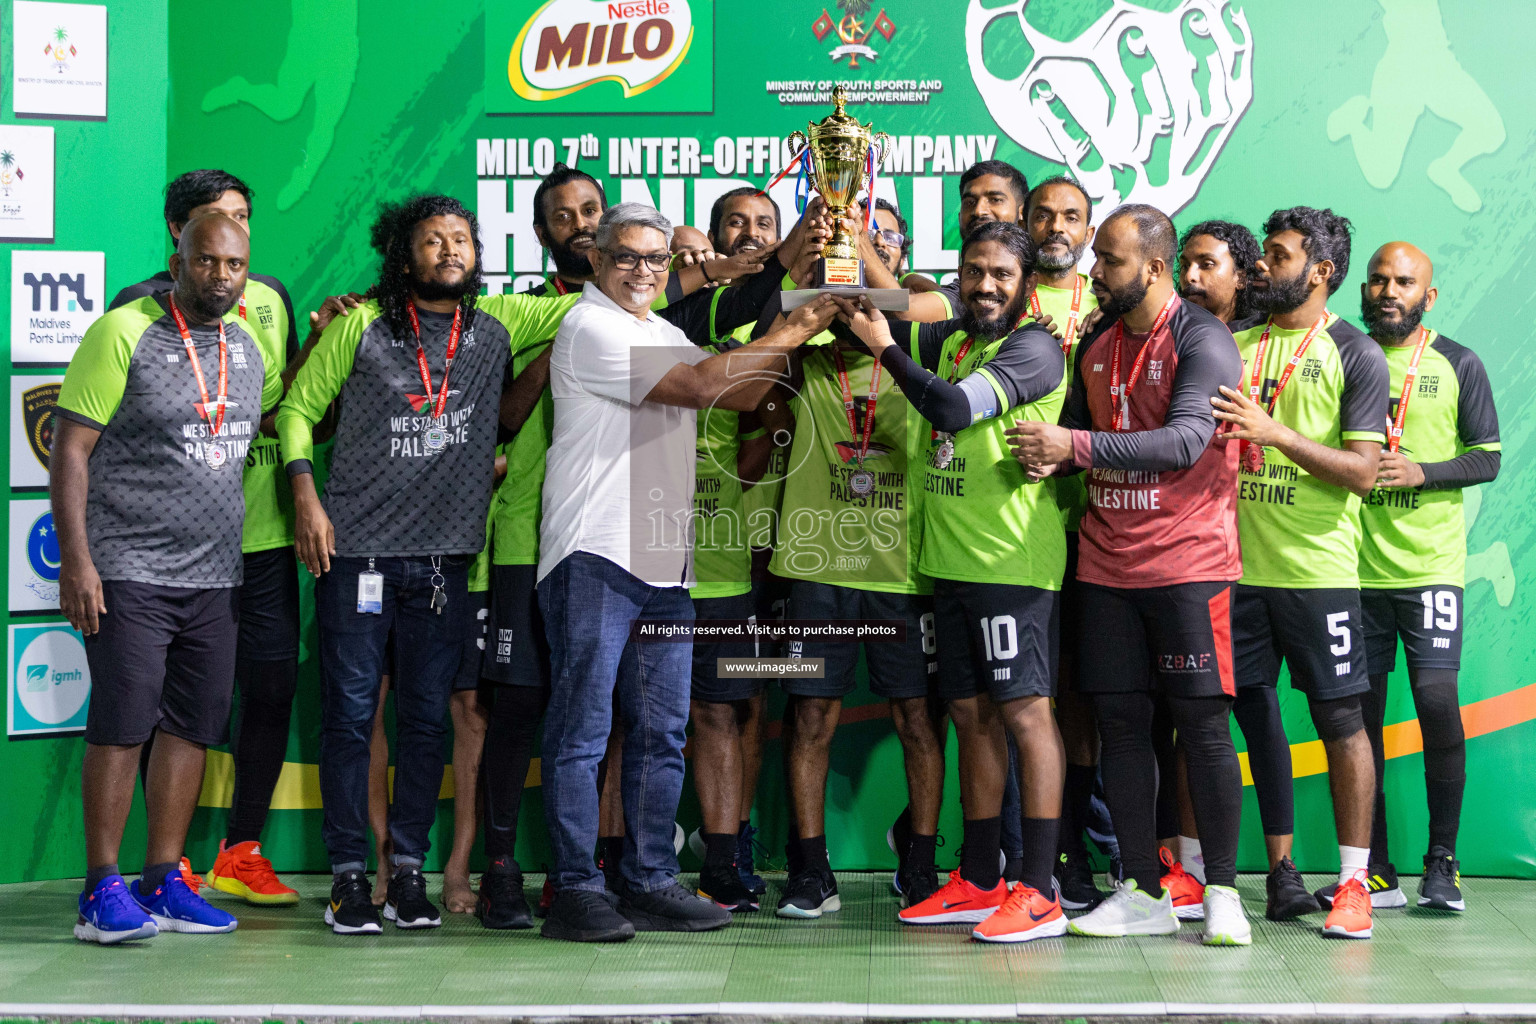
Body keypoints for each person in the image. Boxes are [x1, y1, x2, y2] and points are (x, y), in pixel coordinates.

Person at [276, 194, 585, 935]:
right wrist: (307, 502)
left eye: (461, 239)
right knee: (352, 719)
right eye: (432, 240)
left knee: (423, 724)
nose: (450, 249)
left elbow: (591, 299)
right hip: (356, 556)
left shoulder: (502, 322)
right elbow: (294, 413)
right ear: (402, 254)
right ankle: (352, 876)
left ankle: (408, 873)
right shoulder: (361, 327)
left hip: (446, 562)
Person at [536, 203, 837, 942]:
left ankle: (646, 882)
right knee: (582, 732)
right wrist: (794, 329)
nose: (642, 271)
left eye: (655, 260)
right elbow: (703, 388)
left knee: (662, 732)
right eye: (627, 258)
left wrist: (807, 247)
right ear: (597, 260)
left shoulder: (660, 331)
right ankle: (574, 889)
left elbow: (731, 388)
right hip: (593, 554)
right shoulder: (588, 327)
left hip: (665, 562)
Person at [1008, 204, 1250, 946]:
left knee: (1203, 728)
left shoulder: (1202, 340)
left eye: (1108, 260)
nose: (1093, 272)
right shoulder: (1098, 343)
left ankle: (1223, 894)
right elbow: (1077, 429)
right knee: (1119, 726)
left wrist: (1072, 446)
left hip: (1188, 565)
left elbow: (1183, 442)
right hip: (1107, 564)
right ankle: (1141, 887)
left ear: (1151, 267)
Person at [837, 221, 1071, 944]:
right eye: (974, 271)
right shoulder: (957, 339)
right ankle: (977, 878)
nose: (986, 285)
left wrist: (883, 348)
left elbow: (950, 407)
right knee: (969, 716)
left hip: (1011, 569)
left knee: (1027, 717)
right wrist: (845, 237)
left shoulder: (1034, 348)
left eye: (1002, 273)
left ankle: (1038, 890)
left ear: (1027, 284)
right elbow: (889, 313)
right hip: (948, 567)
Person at [56, 214, 282, 943]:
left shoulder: (247, 348)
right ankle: (100, 888)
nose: (222, 276)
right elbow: (70, 450)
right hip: (127, 569)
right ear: (176, 260)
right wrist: (78, 560)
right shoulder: (122, 332)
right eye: (208, 262)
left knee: (191, 728)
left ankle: (162, 881)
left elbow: (268, 431)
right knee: (123, 727)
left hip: (215, 577)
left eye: (236, 265)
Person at [108, 169, 308, 905]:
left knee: (271, 687)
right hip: (172, 552)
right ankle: (172, 864)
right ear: (178, 235)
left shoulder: (272, 296)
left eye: (243, 219)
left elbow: (279, 403)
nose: (232, 234)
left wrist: (318, 346)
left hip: (260, 536)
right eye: (216, 220)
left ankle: (241, 849)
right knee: (168, 704)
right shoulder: (137, 307)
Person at [1212, 206, 1390, 940]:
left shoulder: (1356, 353)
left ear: (1319, 271)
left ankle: (1352, 885)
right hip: (1230, 570)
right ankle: (1208, 873)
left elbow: (1364, 473)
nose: (1261, 266)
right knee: (1218, 718)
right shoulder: (1231, 343)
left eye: (1278, 256)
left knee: (1341, 720)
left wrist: (1276, 433)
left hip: (1317, 574)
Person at [1323, 241, 1498, 913]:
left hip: (1429, 570)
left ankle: (1443, 861)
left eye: (1403, 282)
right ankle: (1375, 871)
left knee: (1434, 702)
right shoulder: (1342, 354)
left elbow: (1487, 456)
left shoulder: (1458, 362)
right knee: (1357, 721)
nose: (1387, 291)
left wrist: (1423, 471)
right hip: (1351, 570)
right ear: (1361, 289)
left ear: (1428, 296)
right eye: (1377, 280)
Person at [1153, 217, 1264, 914]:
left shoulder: (1232, 347)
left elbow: (1188, 441)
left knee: (1226, 719)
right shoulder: (1150, 338)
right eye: (1184, 264)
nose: (1192, 277)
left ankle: (1249, 876)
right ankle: (1179, 866)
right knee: (1154, 721)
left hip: (1220, 561)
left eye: (1206, 264)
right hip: (1145, 556)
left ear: (1240, 275)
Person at [1021, 175, 1108, 909]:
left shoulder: (1111, 309)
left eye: (1070, 216)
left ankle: (1073, 852)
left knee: (1079, 703)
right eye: (1043, 213)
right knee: (1016, 703)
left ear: (1090, 229)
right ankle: (1014, 857)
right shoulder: (996, 295)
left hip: (1094, 534)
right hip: (1010, 535)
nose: (1055, 225)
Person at [1177, 220, 1262, 329]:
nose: (1189, 276)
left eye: (1207, 264)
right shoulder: (1167, 337)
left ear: (1241, 279)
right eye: (1185, 266)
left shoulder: (1258, 341)